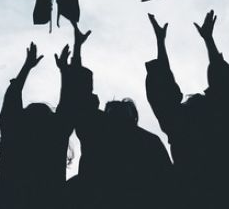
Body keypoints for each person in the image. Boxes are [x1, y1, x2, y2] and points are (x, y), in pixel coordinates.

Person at [146, 11, 229, 209]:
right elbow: (222, 81)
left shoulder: (182, 127)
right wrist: (209, 40)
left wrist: (160, 43)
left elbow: (163, 91)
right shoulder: (224, 120)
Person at [69, 22, 174, 209]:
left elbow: (79, 93)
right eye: (112, 108)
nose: (115, 109)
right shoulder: (98, 131)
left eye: (119, 107)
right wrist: (77, 49)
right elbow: (79, 94)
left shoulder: (146, 141)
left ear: (132, 116)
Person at [0, 42, 76, 209]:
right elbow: (67, 106)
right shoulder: (54, 138)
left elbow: (11, 98)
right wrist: (64, 71)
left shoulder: (14, 135)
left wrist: (27, 67)